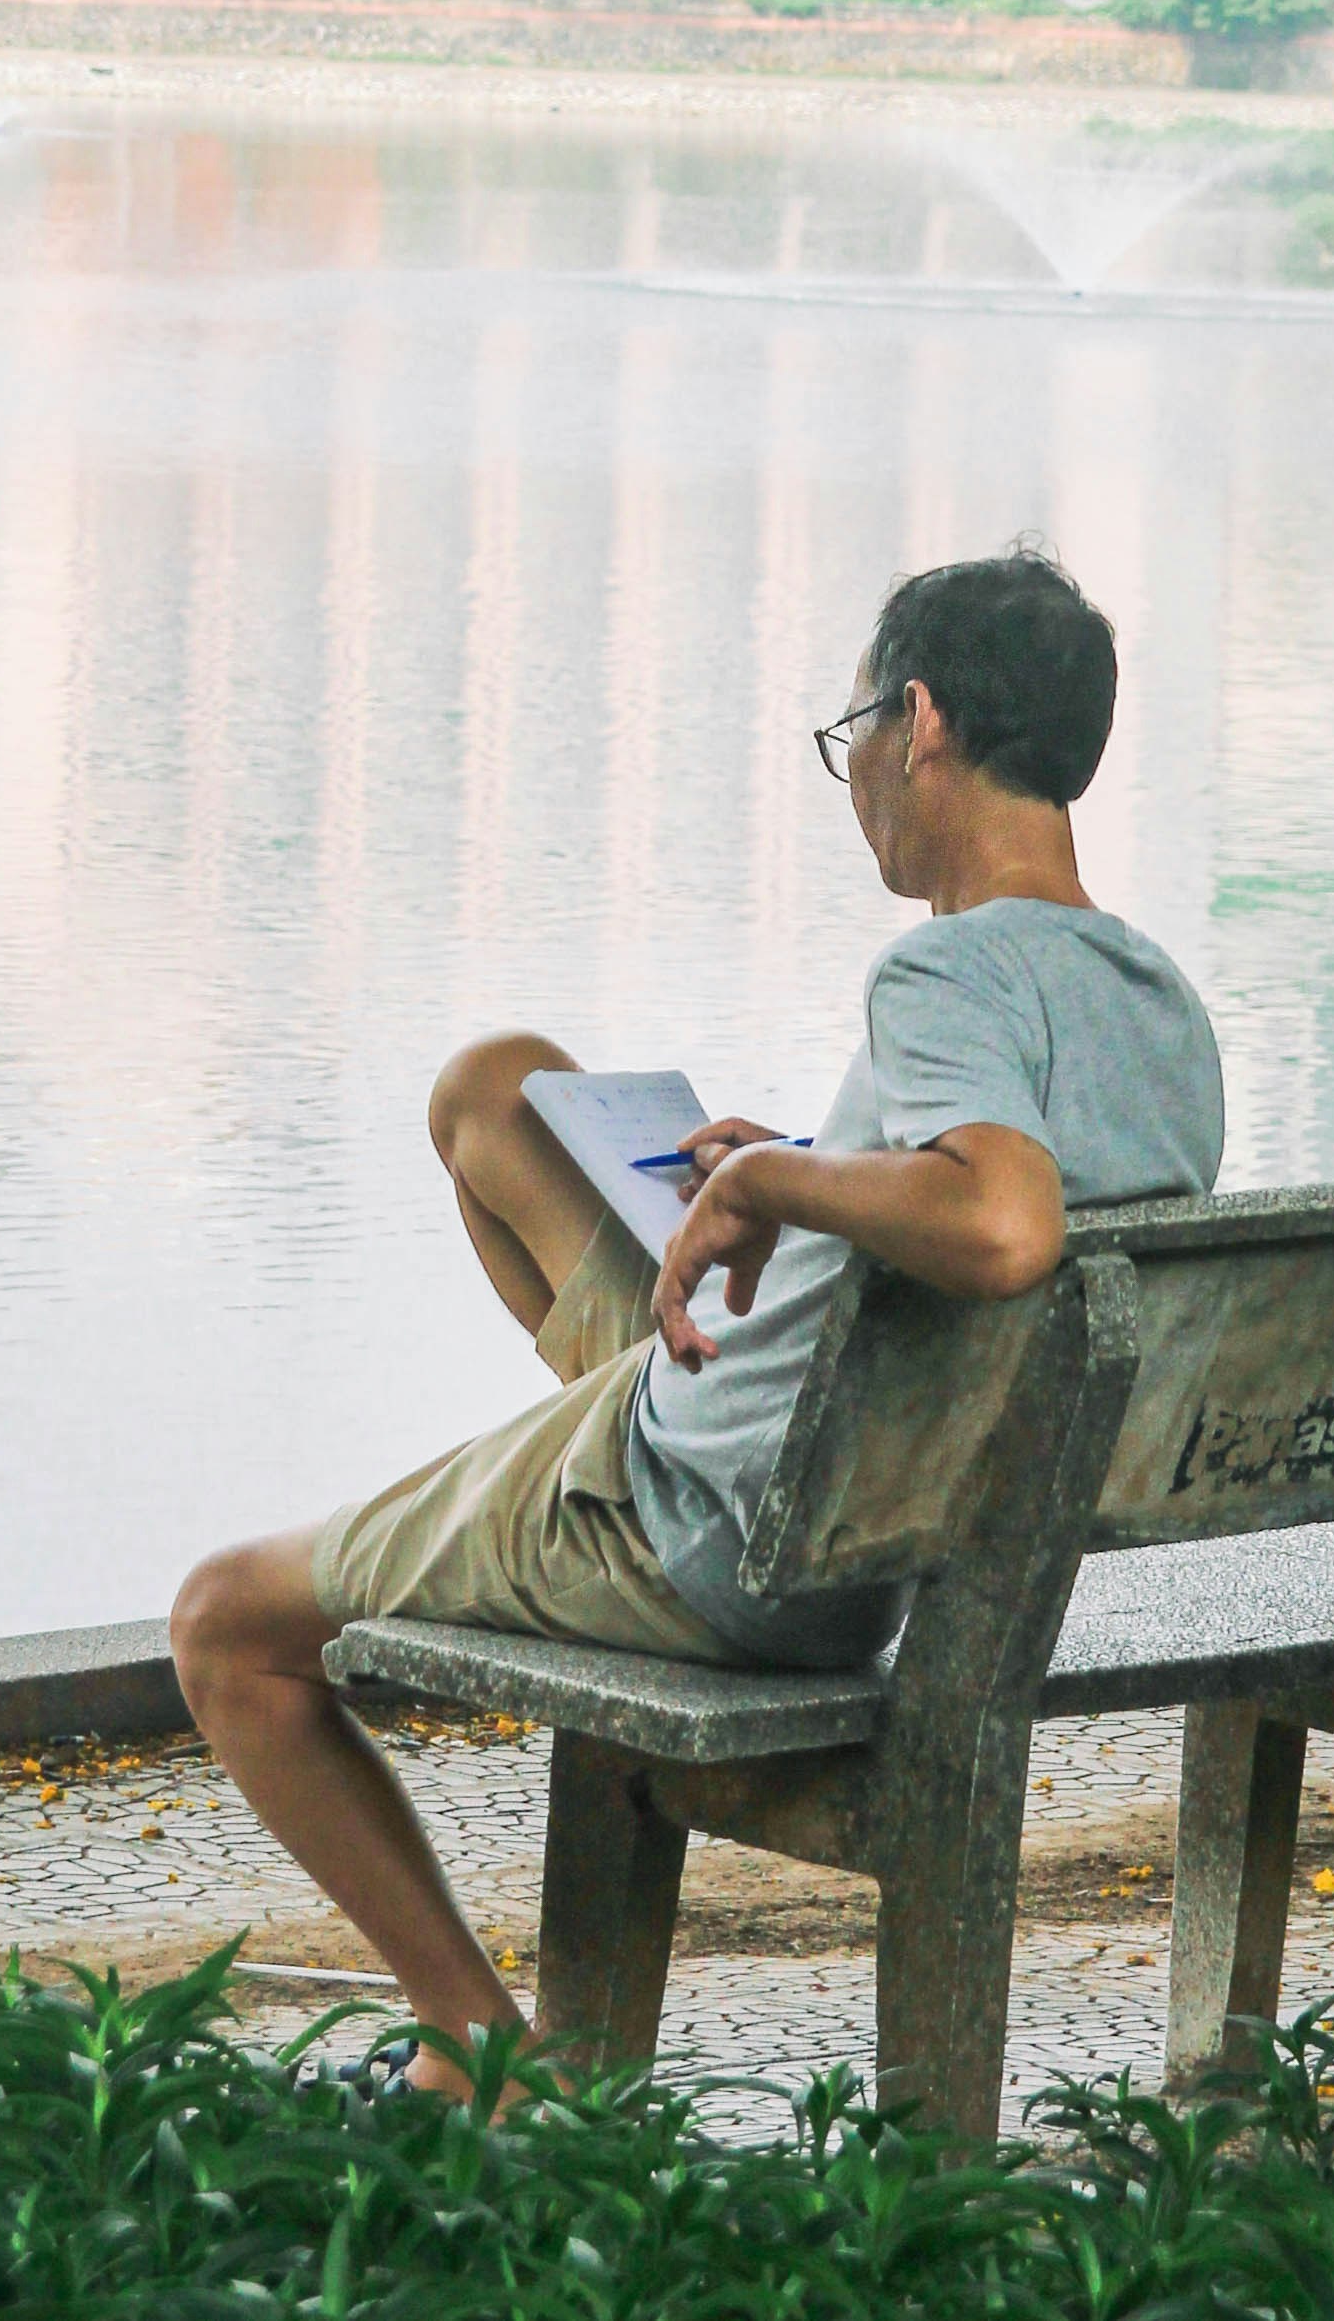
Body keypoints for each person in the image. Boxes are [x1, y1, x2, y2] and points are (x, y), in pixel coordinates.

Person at [169, 545, 1226, 2092]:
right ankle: (586, 1417)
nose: (854, 766)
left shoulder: (943, 968)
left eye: (856, 727)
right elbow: (1000, 1239)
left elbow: (1004, 1223)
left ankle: (472, 2048)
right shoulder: (1162, 1007)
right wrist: (802, 1176)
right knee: (497, 1094)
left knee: (226, 1625)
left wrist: (789, 1180)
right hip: (864, 1486)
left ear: (919, 720)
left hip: (714, 1528)